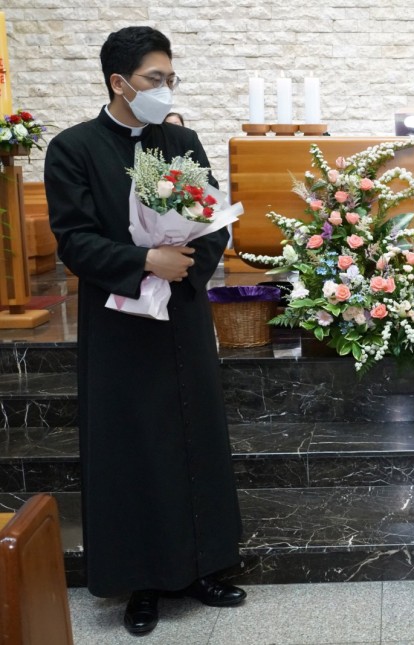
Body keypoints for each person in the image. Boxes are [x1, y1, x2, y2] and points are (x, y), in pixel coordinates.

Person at [43, 26, 245, 636]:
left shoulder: (181, 141)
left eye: (170, 79)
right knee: (133, 447)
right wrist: (143, 262)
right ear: (118, 82)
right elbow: (74, 240)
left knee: (194, 437)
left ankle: (205, 566)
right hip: (120, 323)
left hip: (180, 313)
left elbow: (213, 219)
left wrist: (183, 266)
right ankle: (144, 582)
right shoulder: (73, 148)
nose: (165, 89)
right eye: (154, 79)